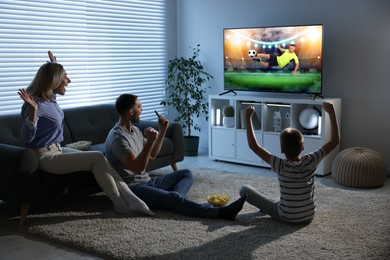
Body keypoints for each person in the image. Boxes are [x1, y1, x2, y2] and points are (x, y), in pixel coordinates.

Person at [18, 51, 154, 216]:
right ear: (54, 80)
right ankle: (120, 202)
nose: (69, 81)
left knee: (102, 158)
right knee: (96, 157)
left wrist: (53, 66)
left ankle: (131, 199)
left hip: (57, 149)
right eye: (65, 77)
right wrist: (33, 113)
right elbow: (27, 139)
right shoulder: (33, 105)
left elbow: (47, 90)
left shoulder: (50, 100)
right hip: (44, 157)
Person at [104, 93, 245, 220]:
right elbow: (137, 168)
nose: (142, 110)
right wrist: (151, 140)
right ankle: (220, 213)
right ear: (131, 111)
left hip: (148, 182)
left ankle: (176, 201)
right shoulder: (118, 138)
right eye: (140, 107)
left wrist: (162, 130)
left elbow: (152, 154)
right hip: (133, 190)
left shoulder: (134, 130)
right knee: (172, 198)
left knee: (186, 174)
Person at [239, 102, 339, 224]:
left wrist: (248, 117)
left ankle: (274, 207)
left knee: (244, 190)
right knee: (277, 199)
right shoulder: (312, 160)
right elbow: (335, 141)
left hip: (286, 216)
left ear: (282, 150)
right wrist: (331, 112)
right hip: (309, 215)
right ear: (302, 147)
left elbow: (253, 146)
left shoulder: (280, 165)